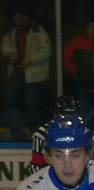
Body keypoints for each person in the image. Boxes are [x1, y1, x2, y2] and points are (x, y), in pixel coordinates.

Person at [1, 4, 51, 138]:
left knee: (32, 103)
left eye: (18, 19)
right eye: (15, 19)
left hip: (35, 74)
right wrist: (14, 55)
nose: (16, 22)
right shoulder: (12, 32)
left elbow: (46, 52)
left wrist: (28, 61)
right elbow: (5, 47)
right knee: (9, 98)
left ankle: (35, 131)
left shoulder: (38, 32)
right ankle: (18, 127)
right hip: (18, 72)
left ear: (26, 17)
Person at [63, 17, 94, 126]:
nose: (93, 29)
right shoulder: (77, 42)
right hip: (81, 81)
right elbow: (67, 58)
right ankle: (80, 130)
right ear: (86, 28)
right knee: (84, 107)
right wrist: (76, 72)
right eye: (91, 26)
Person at [29, 94, 81, 174]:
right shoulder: (42, 133)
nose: (67, 119)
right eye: (64, 114)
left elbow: (88, 164)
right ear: (56, 114)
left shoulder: (85, 133)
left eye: (71, 115)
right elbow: (36, 166)